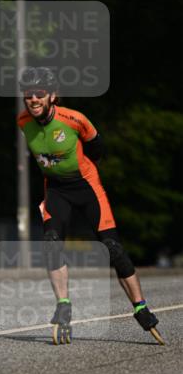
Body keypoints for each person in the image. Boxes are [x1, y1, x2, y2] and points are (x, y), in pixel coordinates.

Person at [17, 66, 164, 345]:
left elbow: (97, 148)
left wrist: (79, 169)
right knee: (51, 242)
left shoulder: (75, 119)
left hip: (86, 188)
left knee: (113, 249)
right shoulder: (23, 122)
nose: (33, 99)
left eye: (39, 94)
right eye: (27, 95)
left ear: (52, 95)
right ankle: (63, 303)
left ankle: (140, 306)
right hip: (56, 191)